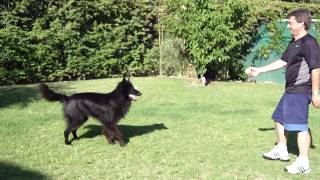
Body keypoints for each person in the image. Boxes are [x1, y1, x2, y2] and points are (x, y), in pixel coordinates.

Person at [246, 8, 320, 174]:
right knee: (278, 118)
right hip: (290, 89)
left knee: (300, 127)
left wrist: (315, 93)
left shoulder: (309, 43)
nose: (288, 26)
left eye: (291, 23)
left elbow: (316, 69)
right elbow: (282, 61)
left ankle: (303, 162)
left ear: (301, 24)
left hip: (301, 90)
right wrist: (260, 70)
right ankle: (281, 149)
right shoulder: (294, 42)